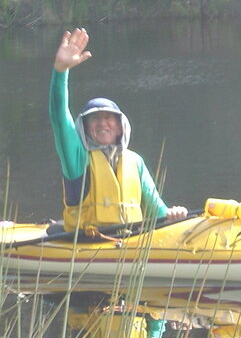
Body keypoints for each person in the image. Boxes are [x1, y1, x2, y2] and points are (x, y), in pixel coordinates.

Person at [50, 27, 187, 233]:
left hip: (130, 242)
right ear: (84, 127)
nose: (102, 123)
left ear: (120, 126)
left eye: (108, 118)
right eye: (95, 119)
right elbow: (59, 118)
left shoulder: (135, 162)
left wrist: (173, 216)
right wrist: (61, 72)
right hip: (86, 242)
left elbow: (158, 211)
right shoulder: (77, 159)